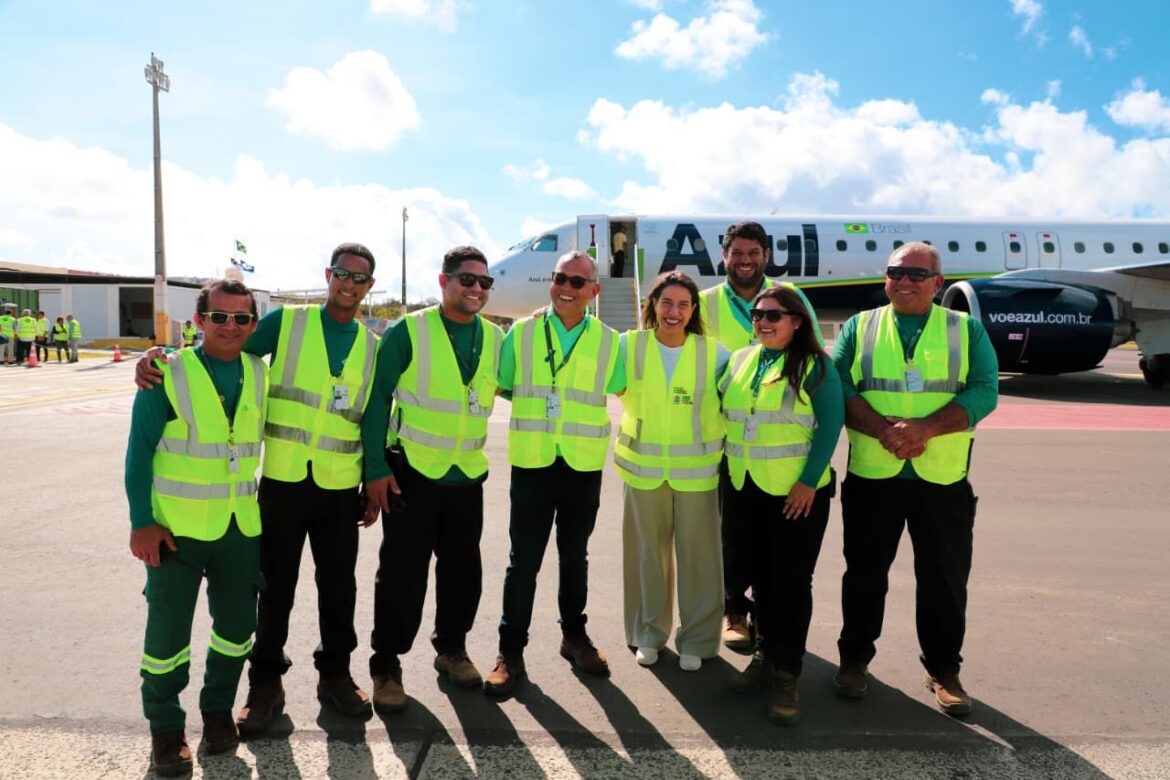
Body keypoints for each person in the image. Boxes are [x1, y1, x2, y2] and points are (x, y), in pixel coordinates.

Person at [135, 243, 381, 733]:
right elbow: (222, 353)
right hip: (282, 484)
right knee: (275, 591)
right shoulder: (287, 323)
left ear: (369, 286)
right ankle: (265, 682)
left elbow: (373, 415)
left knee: (339, 589)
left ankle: (335, 674)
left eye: (359, 278)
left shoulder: (373, 346)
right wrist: (162, 359)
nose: (348, 284)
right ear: (327, 275)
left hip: (338, 486)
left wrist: (373, 474)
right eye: (340, 273)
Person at [832, 241, 998, 717]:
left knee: (944, 578)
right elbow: (836, 385)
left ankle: (944, 670)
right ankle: (854, 661)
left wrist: (924, 429)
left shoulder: (966, 330)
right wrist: (886, 431)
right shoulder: (859, 327)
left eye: (916, 275)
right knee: (864, 574)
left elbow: (986, 390)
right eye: (896, 273)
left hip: (942, 478)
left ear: (937, 282)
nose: (904, 282)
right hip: (873, 472)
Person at [124, 279, 267, 776]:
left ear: (253, 323)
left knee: (236, 630)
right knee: (167, 636)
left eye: (242, 318)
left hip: (238, 529)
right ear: (200, 321)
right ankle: (165, 729)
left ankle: (217, 711)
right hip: (175, 532)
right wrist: (141, 522)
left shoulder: (258, 372)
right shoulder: (168, 371)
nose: (231, 326)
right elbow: (139, 453)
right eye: (220, 317)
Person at [361, 246, 503, 712]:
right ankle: (386, 665)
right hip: (412, 473)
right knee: (402, 572)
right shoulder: (409, 330)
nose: (476, 289)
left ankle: (452, 649)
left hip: (467, 475)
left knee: (464, 570)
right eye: (467, 280)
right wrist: (376, 469)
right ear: (444, 282)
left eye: (484, 282)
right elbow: (379, 399)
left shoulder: (494, 337)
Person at [483, 250, 624, 697]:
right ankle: (511, 651)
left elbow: (617, 387)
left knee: (574, 558)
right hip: (534, 462)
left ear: (594, 291)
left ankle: (574, 637)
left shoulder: (608, 340)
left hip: (582, 464)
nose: (566, 287)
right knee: (522, 561)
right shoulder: (522, 333)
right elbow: (504, 384)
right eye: (560, 277)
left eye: (577, 282)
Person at [719, 285, 843, 724]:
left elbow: (831, 424)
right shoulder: (739, 361)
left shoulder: (815, 366)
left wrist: (809, 482)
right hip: (743, 486)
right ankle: (766, 657)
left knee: (790, 584)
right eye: (757, 314)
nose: (763, 321)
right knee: (757, 580)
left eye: (774, 314)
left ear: (797, 321)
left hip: (796, 496)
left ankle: (787, 673)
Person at [699, 220, 823, 654]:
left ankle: (776, 645)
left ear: (765, 256)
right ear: (725, 255)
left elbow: (814, 359)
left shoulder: (790, 296)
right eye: (737, 253)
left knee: (779, 562)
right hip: (726, 442)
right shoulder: (704, 303)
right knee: (731, 540)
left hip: (783, 457)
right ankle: (735, 611)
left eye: (753, 253)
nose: (745, 260)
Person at [616, 271, 729, 672]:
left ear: (694, 310)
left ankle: (697, 639)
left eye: (683, 304)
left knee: (700, 558)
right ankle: (648, 633)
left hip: (697, 474)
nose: (674, 312)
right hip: (643, 472)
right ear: (653, 306)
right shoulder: (628, 346)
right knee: (648, 556)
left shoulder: (713, 353)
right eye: (666, 303)